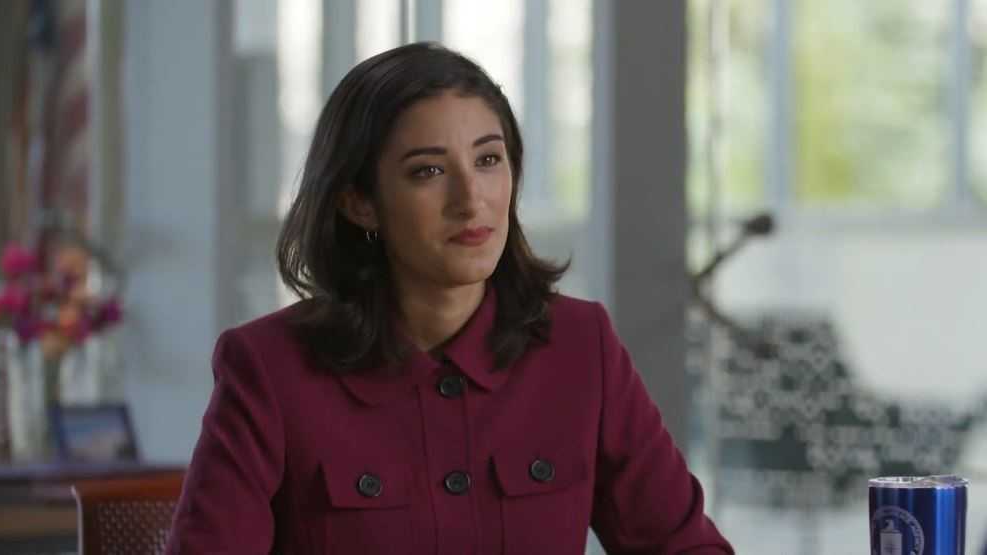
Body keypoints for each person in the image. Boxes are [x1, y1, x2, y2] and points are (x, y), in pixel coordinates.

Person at [165, 42, 732, 555]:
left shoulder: (582, 347)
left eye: (488, 160)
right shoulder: (269, 369)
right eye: (428, 171)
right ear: (359, 201)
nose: (471, 199)